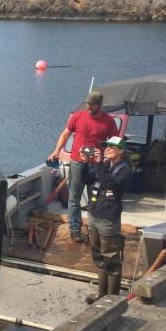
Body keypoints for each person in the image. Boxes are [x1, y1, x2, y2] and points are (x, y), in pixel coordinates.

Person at [48, 90, 116, 242]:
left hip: (96, 165)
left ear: (100, 105)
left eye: (92, 105)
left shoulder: (109, 121)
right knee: (74, 196)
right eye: (88, 104)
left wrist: (111, 159)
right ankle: (75, 229)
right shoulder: (78, 116)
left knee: (95, 197)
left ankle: (93, 228)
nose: (89, 107)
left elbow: (114, 142)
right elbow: (65, 134)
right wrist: (56, 150)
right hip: (77, 162)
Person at [84, 136, 133, 303]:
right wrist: (86, 162)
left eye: (112, 147)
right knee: (98, 255)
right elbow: (87, 179)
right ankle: (101, 294)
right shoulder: (105, 165)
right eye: (107, 146)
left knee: (111, 259)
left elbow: (109, 185)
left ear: (121, 151)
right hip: (94, 215)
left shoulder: (125, 170)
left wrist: (98, 164)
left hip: (108, 219)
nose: (108, 149)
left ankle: (111, 300)